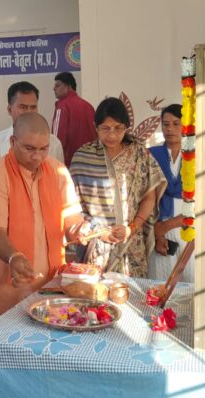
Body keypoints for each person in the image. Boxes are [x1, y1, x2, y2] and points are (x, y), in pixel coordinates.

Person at [0, 112, 85, 318]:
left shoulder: (58, 171)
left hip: (52, 283)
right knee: (12, 336)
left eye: (44, 149)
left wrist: (81, 230)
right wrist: (14, 257)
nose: (37, 156)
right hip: (12, 284)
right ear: (12, 142)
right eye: (29, 148)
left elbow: (71, 217)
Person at [70, 97, 166, 277]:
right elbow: (73, 205)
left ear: (127, 127)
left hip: (131, 243)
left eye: (118, 128)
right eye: (105, 128)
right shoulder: (83, 157)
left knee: (130, 290)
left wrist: (132, 228)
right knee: (98, 292)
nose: (112, 135)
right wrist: (98, 232)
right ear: (96, 127)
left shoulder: (138, 153)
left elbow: (149, 196)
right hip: (97, 244)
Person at [148, 104, 194, 282]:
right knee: (160, 285)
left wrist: (168, 225)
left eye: (176, 124)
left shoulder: (199, 155)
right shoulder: (151, 155)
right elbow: (144, 196)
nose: (170, 129)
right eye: (166, 124)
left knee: (193, 285)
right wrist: (158, 233)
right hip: (159, 232)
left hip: (190, 229)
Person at [0, 81, 64, 169]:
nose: (29, 112)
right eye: (23, 107)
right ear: (9, 109)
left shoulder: (54, 144)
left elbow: (59, 176)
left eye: (33, 107)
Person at [51, 71, 97, 165]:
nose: (54, 88)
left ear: (68, 87)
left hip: (70, 164)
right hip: (91, 162)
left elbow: (57, 141)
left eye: (57, 85)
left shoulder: (62, 107)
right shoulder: (88, 106)